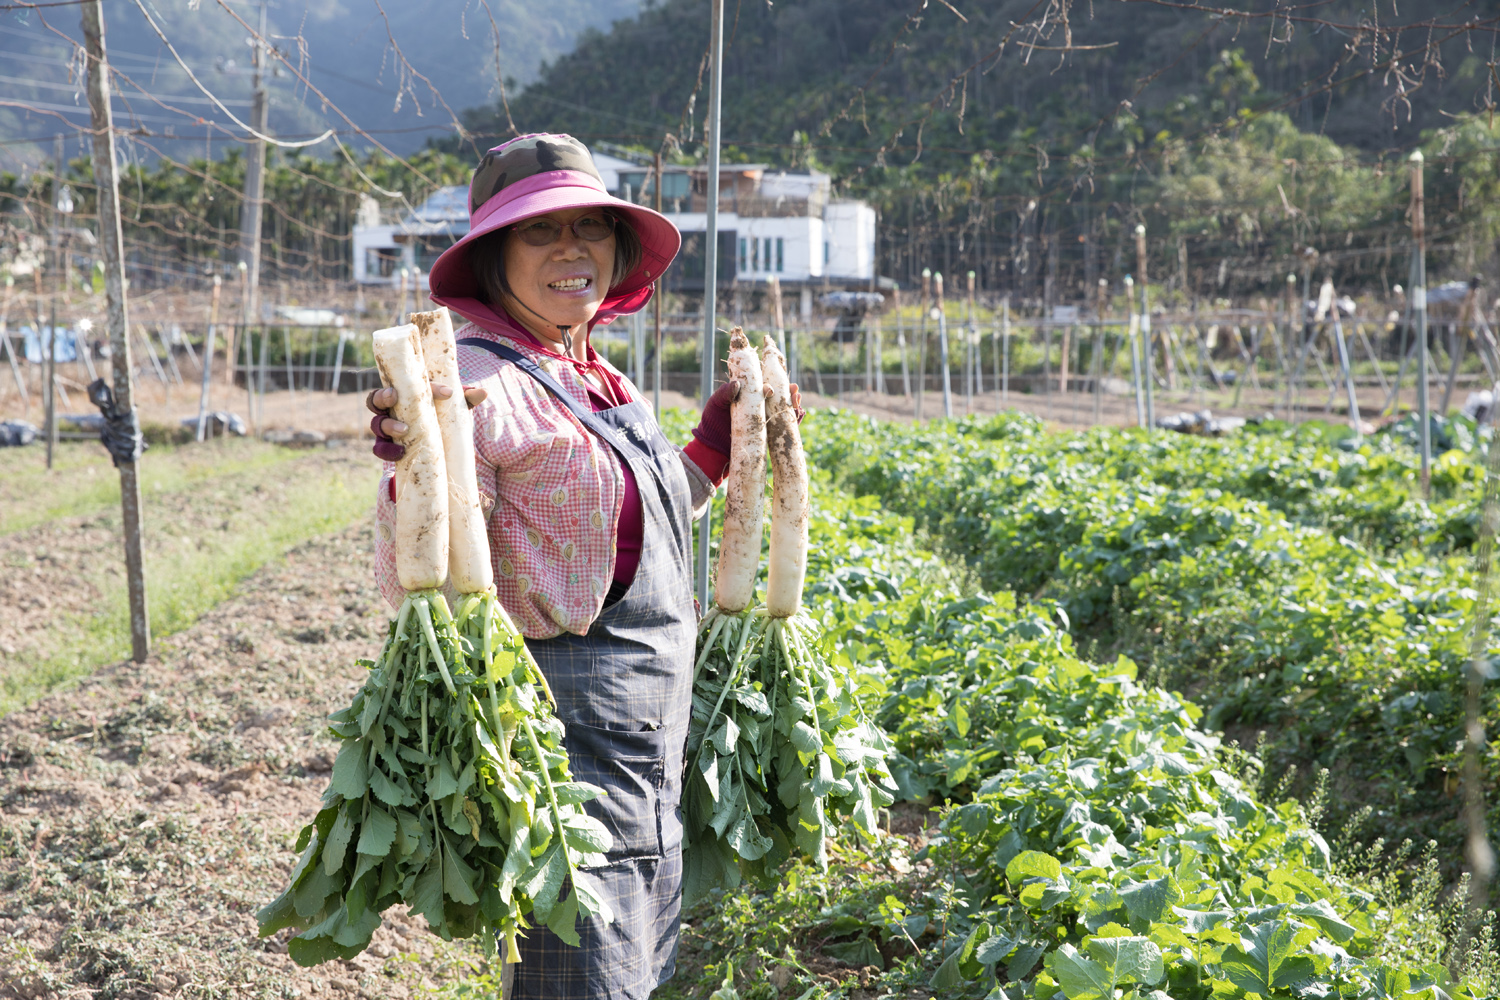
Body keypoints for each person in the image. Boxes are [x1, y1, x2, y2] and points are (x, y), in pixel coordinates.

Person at [365, 133, 798, 999]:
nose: (572, 250)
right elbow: (416, 556)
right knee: (582, 979)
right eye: (539, 232)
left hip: (652, 736)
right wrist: (415, 455)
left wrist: (722, 438)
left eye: (591, 227)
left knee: (634, 970)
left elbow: (644, 519)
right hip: (572, 743)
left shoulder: (598, 375)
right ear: (493, 255)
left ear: (617, 246)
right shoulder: (476, 381)